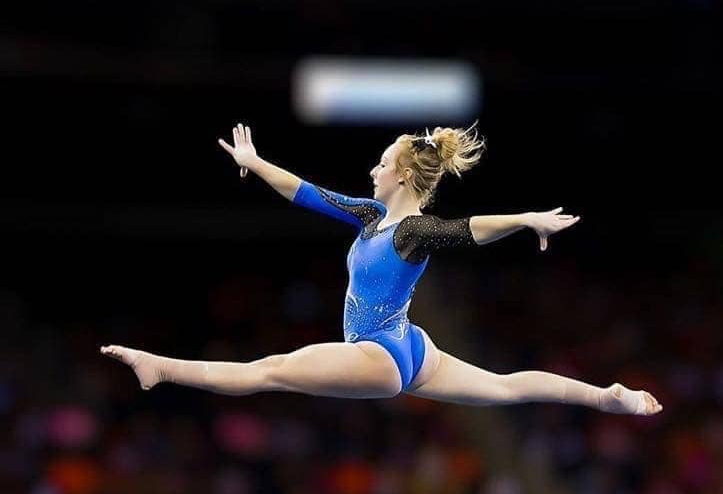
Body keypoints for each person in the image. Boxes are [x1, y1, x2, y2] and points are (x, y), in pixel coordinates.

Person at [101, 122, 662, 416]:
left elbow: (468, 228)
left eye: (382, 163)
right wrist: (255, 162)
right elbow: (306, 192)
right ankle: (609, 397)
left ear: (403, 176)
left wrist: (524, 219)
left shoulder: (413, 231)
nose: (373, 169)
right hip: (410, 347)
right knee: (505, 388)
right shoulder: (372, 216)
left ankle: (162, 368)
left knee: (270, 371)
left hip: (380, 354)